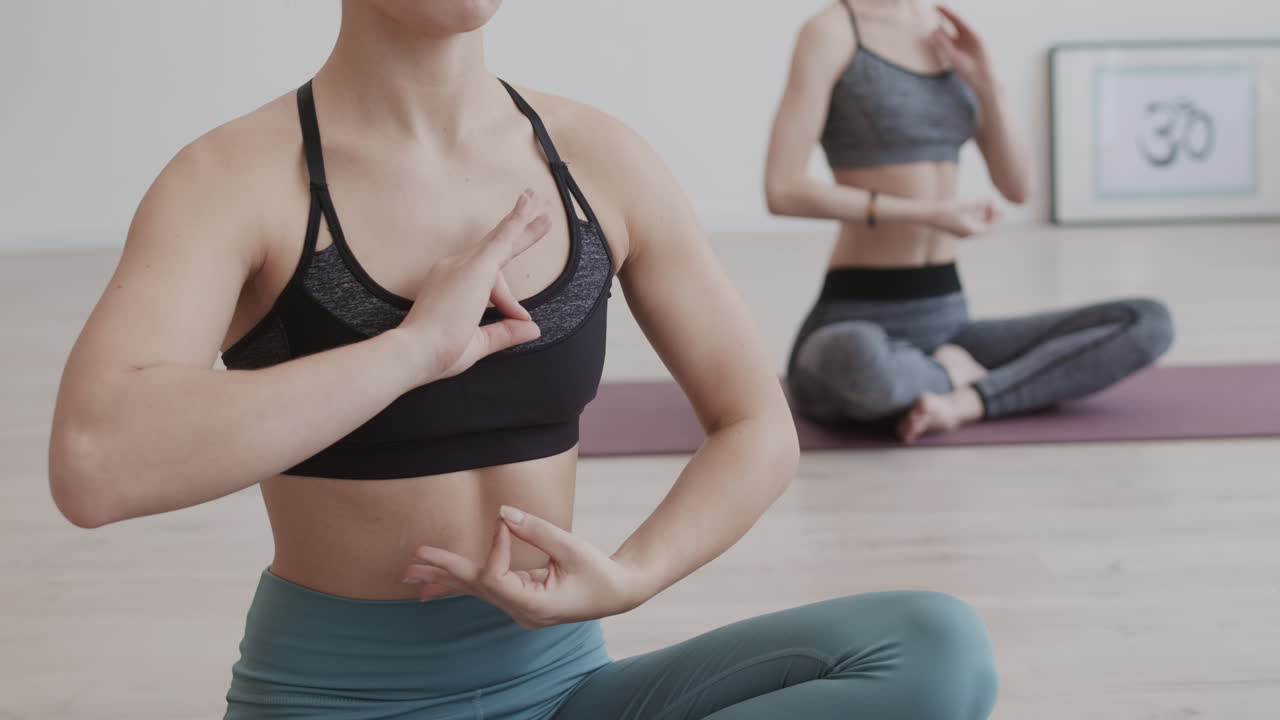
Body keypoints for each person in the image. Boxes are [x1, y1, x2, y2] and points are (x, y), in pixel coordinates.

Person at [49, 2, 997, 718]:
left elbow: (755, 424)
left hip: (561, 687)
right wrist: (413, 348)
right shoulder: (234, 178)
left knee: (935, 646)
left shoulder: (598, 157)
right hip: (340, 697)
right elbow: (96, 466)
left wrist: (631, 577)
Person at [766, 0, 1174, 441]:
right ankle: (954, 373)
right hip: (855, 317)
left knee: (1147, 322)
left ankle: (964, 399)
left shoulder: (941, 31)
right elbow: (783, 189)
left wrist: (987, 86)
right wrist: (929, 214)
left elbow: (1019, 187)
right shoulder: (832, 31)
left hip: (948, 318)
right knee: (857, 363)